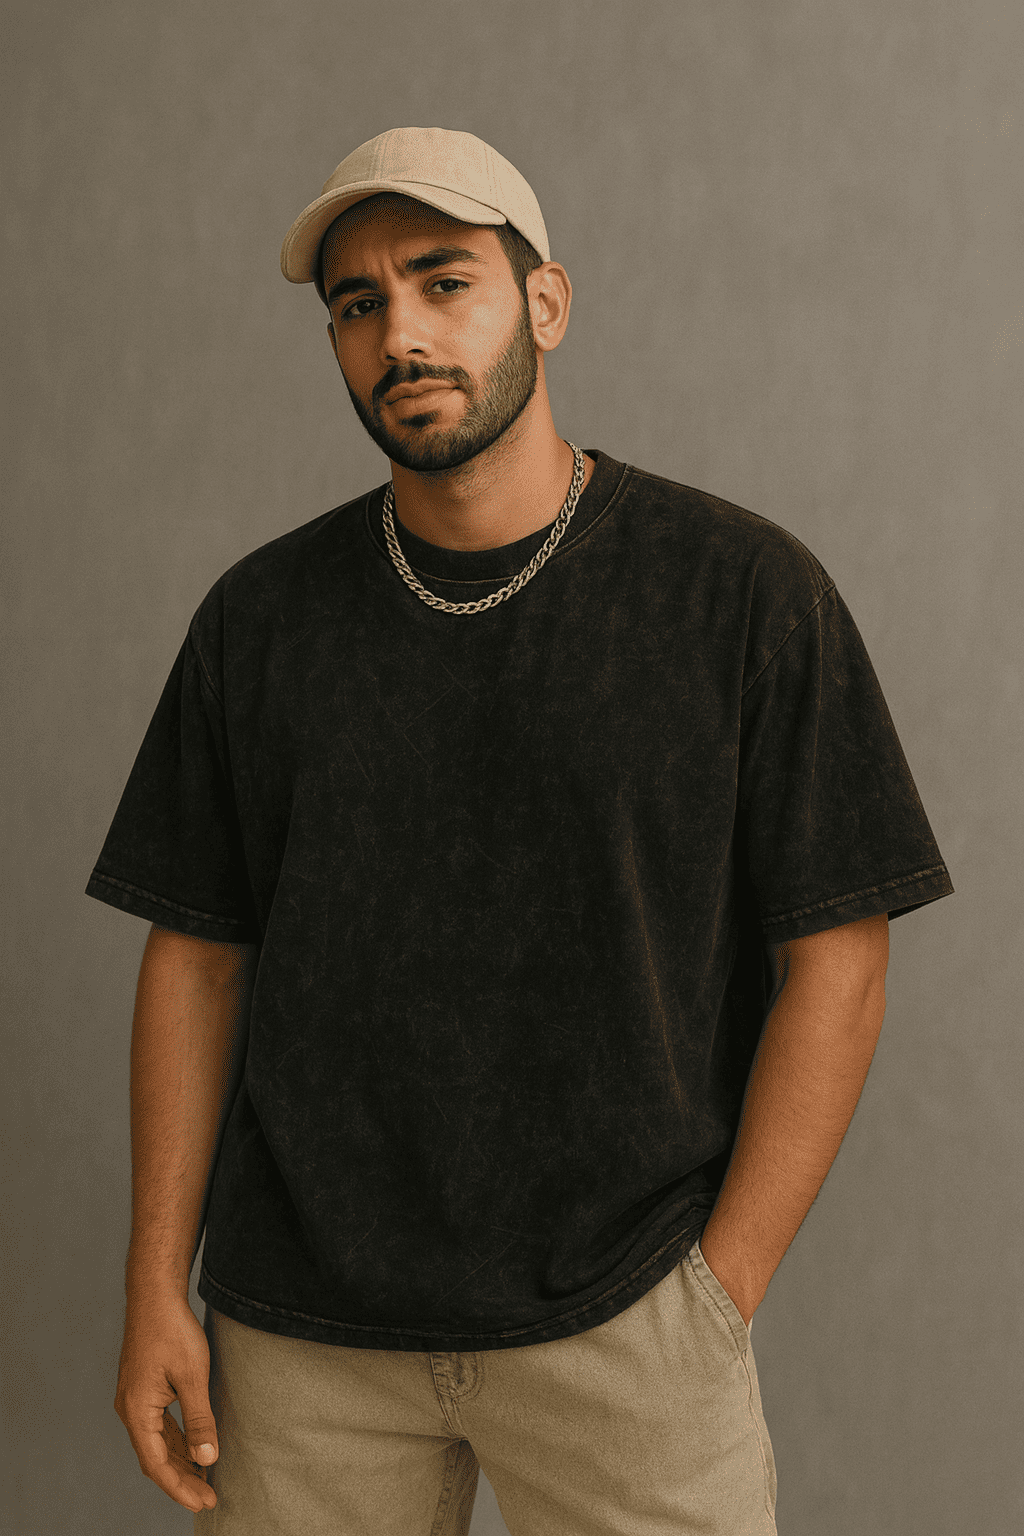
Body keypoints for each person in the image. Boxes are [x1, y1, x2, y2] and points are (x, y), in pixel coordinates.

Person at [89, 127, 954, 1535]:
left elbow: (841, 961)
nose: (400, 335)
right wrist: (152, 1293)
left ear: (544, 303)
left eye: (443, 283)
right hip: (305, 1337)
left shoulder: (739, 594)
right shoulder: (262, 621)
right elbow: (195, 962)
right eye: (358, 305)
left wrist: (717, 1295)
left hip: (628, 1320)